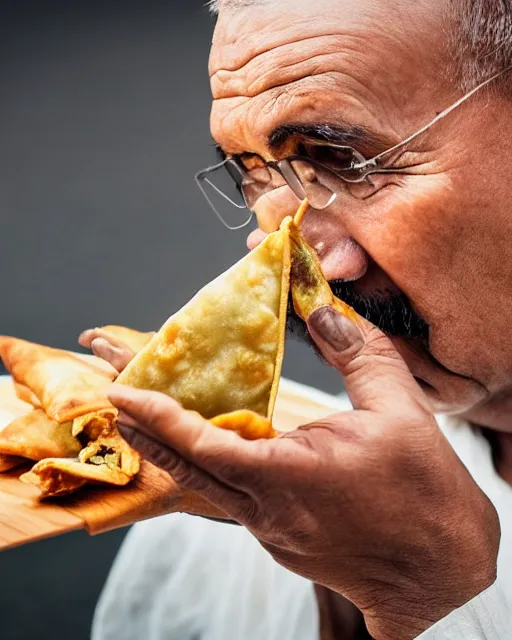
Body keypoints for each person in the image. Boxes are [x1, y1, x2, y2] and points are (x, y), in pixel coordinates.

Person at [85, 0, 512, 637]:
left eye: (339, 160)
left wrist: (422, 599)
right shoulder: (223, 521)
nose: (288, 261)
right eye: (249, 175)